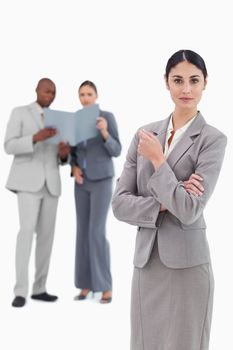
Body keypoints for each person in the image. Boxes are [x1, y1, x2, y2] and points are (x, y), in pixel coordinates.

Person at [112, 50, 227, 349]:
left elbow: (189, 209)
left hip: (188, 267)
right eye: (178, 80)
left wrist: (159, 162)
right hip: (147, 264)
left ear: (205, 84)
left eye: (194, 80)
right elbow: (119, 203)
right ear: (166, 83)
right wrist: (166, 200)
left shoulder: (212, 140)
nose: (186, 89)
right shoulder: (144, 135)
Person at [4, 78, 70, 307]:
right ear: (37, 90)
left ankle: (39, 288)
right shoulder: (20, 112)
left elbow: (61, 158)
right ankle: (20, 291)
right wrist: (35, 138)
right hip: (27, 182)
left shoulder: (59, 119)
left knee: (47, 237)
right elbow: (8, 145)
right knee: (26, 232)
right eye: (46, 90)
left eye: (53, 92)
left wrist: (64, 154)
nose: (50, 95)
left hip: (51, 183)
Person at [71, 80, 121, 303]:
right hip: (81, 181)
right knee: (82, 232)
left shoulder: (107, 117)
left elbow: (116, 150)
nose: (85, 98)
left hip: (102, 180)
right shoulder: (75, 120)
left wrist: (104, 133)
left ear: (96, 96)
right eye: (82, 94)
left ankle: (105, 286)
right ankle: (85, 285)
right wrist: (73, 167)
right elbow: (72, 151)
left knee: (96, 232)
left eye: (89, 93)